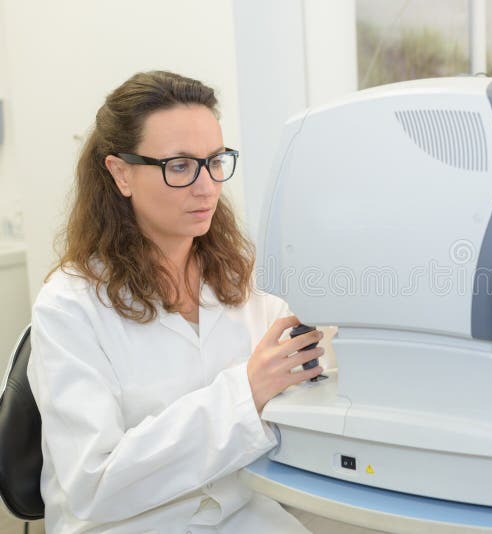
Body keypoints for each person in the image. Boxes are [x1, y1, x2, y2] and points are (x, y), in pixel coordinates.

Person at [28, 71, 326, 533]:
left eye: (215, 161)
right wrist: (245, 392)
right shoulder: (68, 307)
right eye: (180, 166)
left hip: (243, 514)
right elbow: (94, 483)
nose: (206, 186)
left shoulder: (234, 283)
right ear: (120, 172)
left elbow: (293, 397)